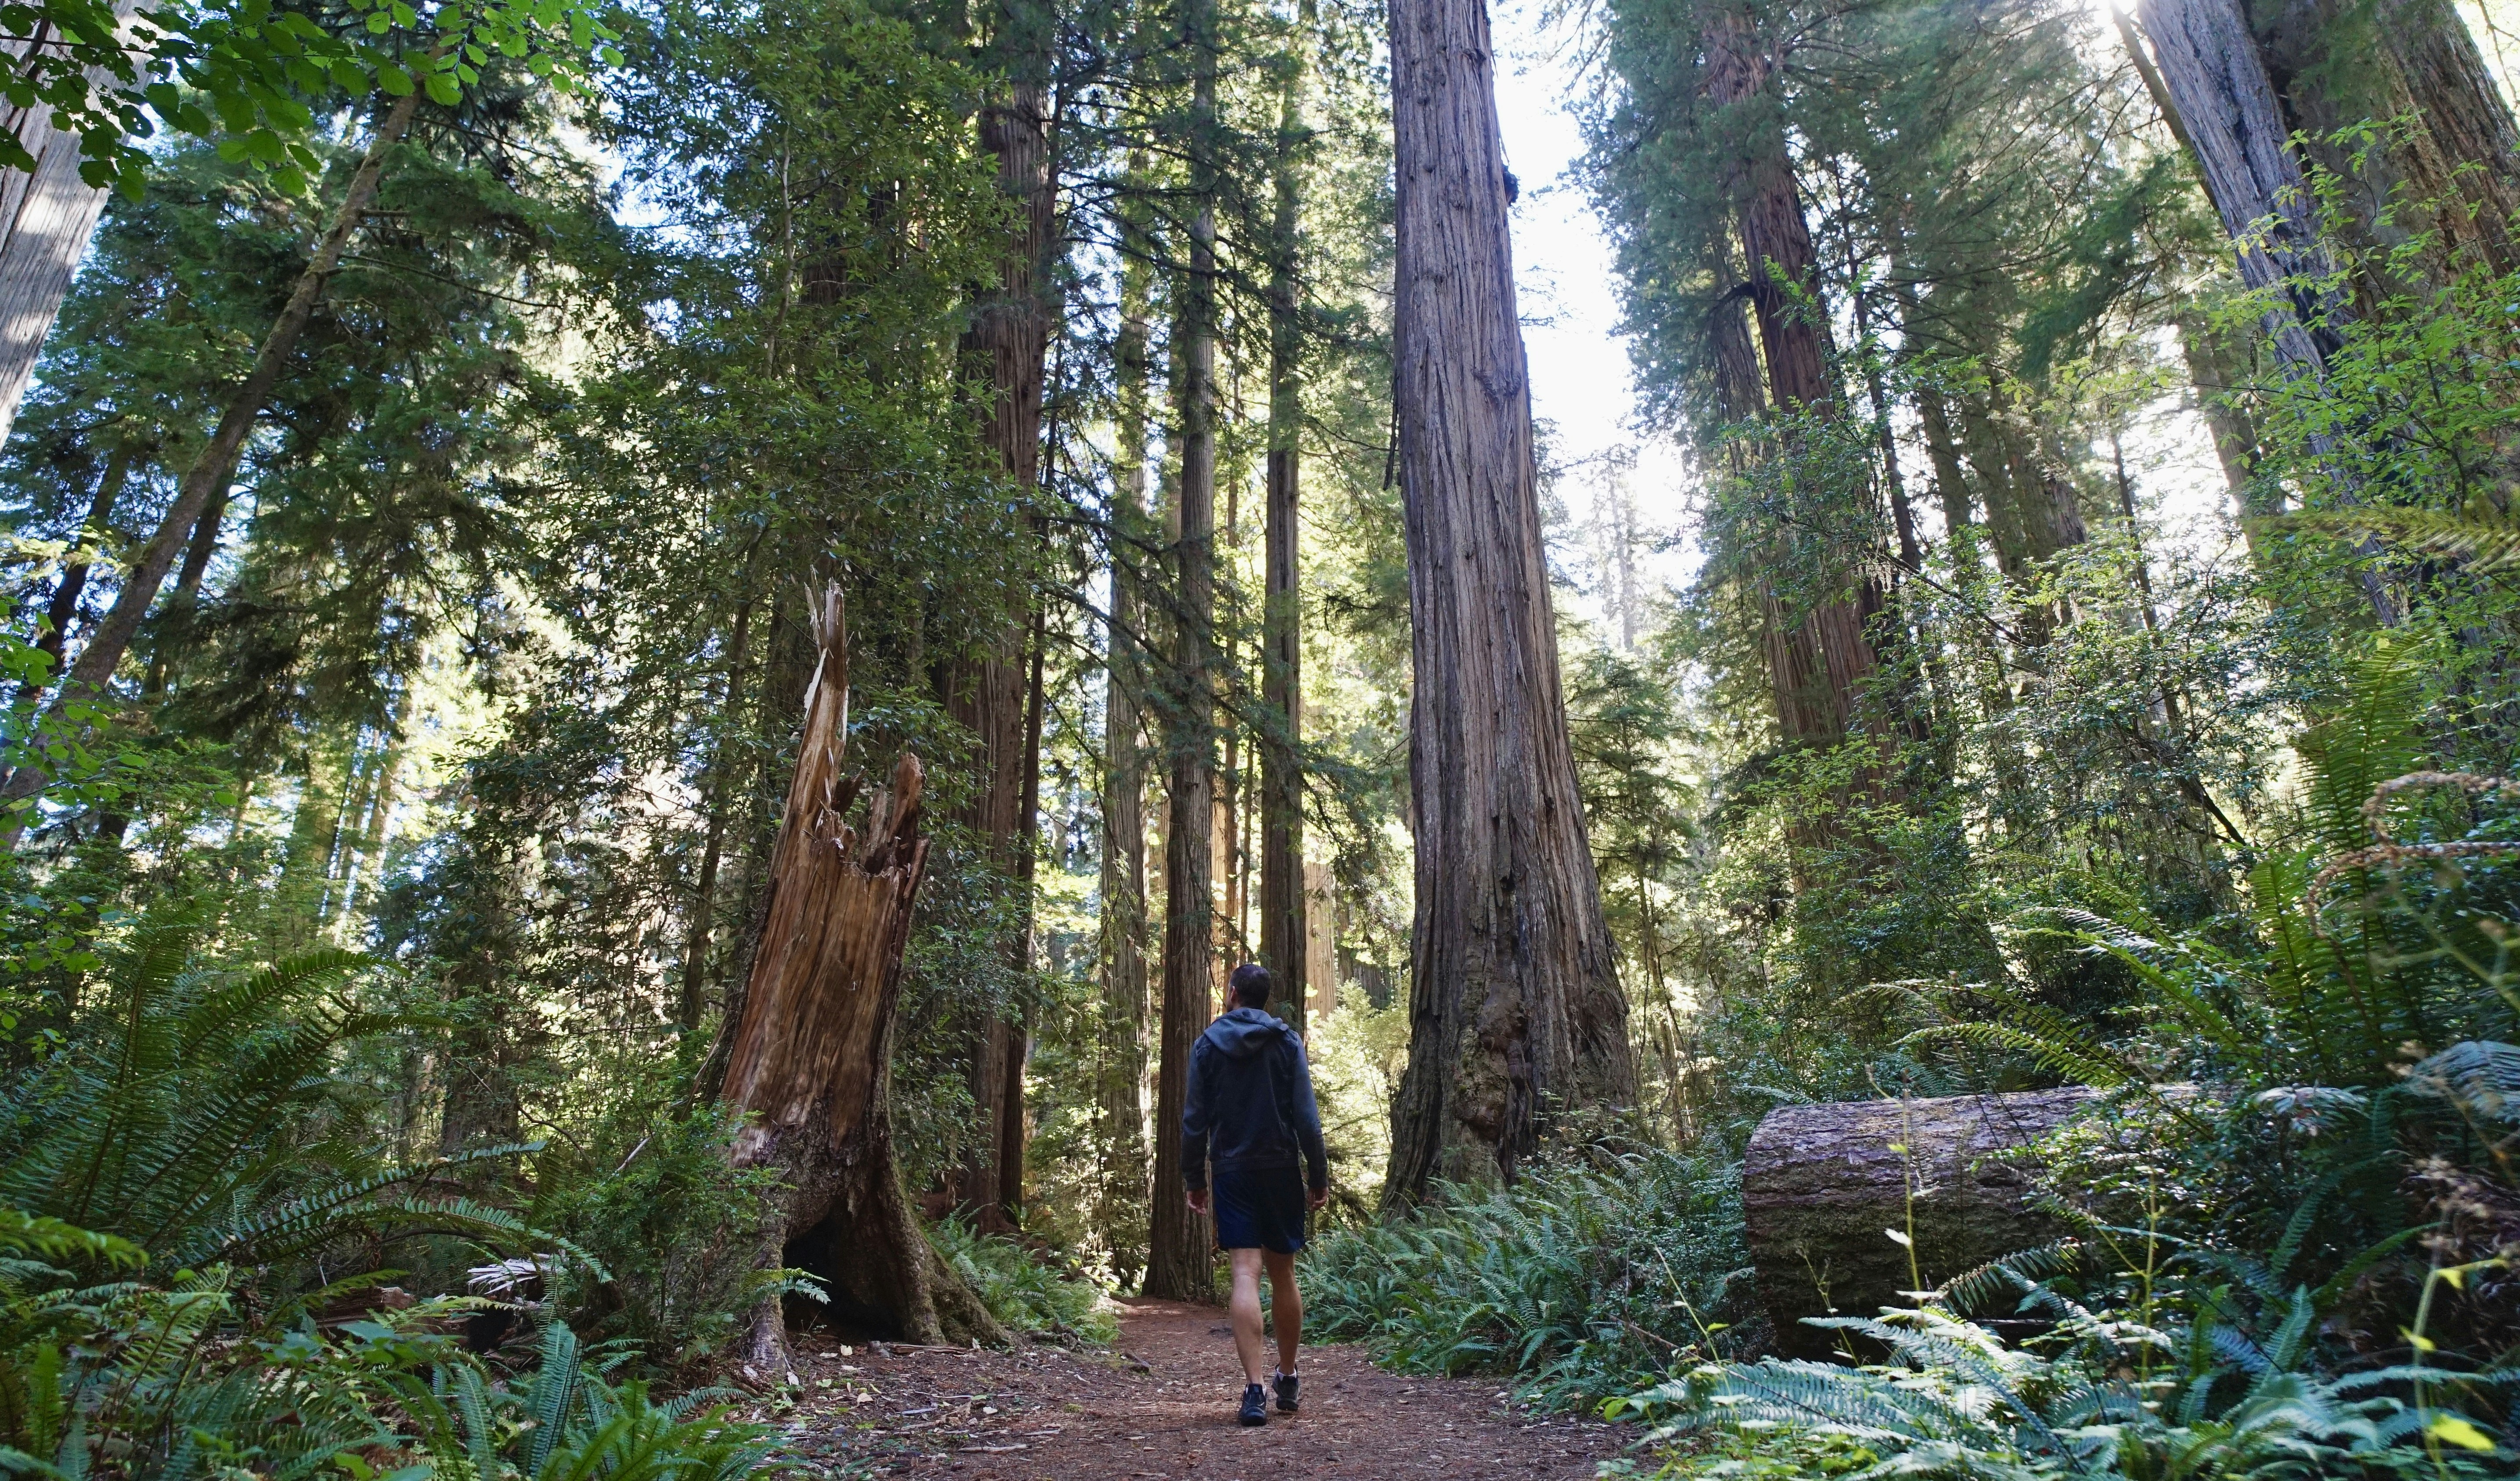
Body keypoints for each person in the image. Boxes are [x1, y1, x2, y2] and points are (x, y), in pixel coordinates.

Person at [1182, 962, 1330, 1427]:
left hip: (1232, 1170)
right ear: (1265, 998)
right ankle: (1287, 1377)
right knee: (1283, 1273)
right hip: (1281, 1167)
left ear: (1232, 993)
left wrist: (1195, 1177)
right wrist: (1318, 1174)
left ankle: (1253, 1389)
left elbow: (1194, 1120)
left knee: (1245, 1272)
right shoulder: (1286, 1041)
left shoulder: (1207, 1045)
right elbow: (1307, 1116)